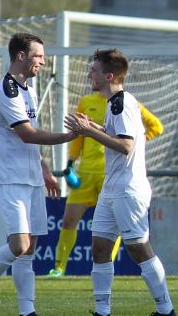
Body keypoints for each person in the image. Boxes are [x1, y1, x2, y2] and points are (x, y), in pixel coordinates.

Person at [0, 33, 77, 316]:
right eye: (38, 56)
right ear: (20, 57)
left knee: (30, 250)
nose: (42, 61)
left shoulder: (30, 89)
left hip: (32, 180)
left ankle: (27, 314)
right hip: (11, 181)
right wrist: (69, 136)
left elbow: (30, 139)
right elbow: (27, 133)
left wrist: (43, 168)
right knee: (19, 244)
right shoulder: (7, 91)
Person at [63, 49, 176, 316]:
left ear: (109, 75)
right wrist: (95, 126)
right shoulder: (116, 104)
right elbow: (118, 135)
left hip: (128, 189)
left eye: (94, 70)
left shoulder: (121, 102)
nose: (90, 74)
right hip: (112, 189)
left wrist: (90, 132)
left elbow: (126, 146)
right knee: (100, 248)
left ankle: (166, 311)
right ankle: (102, 314)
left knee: (138, 249)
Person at [48, 93, 164, 276]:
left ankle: (107, 267)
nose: (91, 75)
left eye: (95, 71)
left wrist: (136, 143)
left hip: (111, 175)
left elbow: (156, 126)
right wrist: (71, 161)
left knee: (118, 229)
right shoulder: (86, 102)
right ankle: (59, 268)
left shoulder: (128, 104)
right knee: (69, 219)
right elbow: (79, 136)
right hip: (85, 173)